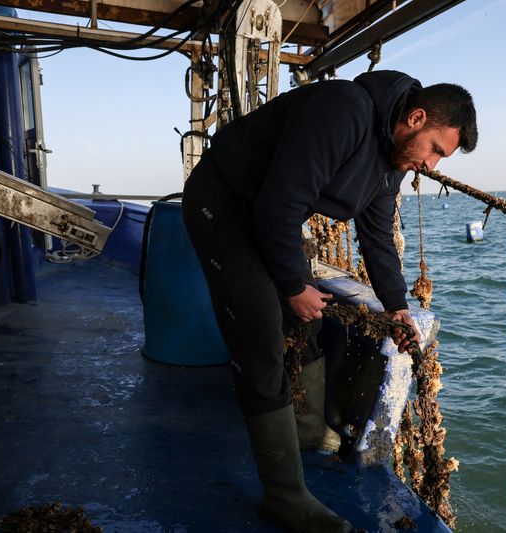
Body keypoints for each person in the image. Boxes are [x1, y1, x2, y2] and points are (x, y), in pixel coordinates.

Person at [181, 69, 477, 532]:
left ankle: (305, 432)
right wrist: (293, 288)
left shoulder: (390, 162)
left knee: (307, 323)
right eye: (436, 150)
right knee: (261, 330)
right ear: (416, 118)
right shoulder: (344, 110)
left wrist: (397, 306)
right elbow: (281, 203)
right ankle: (285, 495)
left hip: (268, 213)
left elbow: (377, 237)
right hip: (223, 201)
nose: (432, 167)